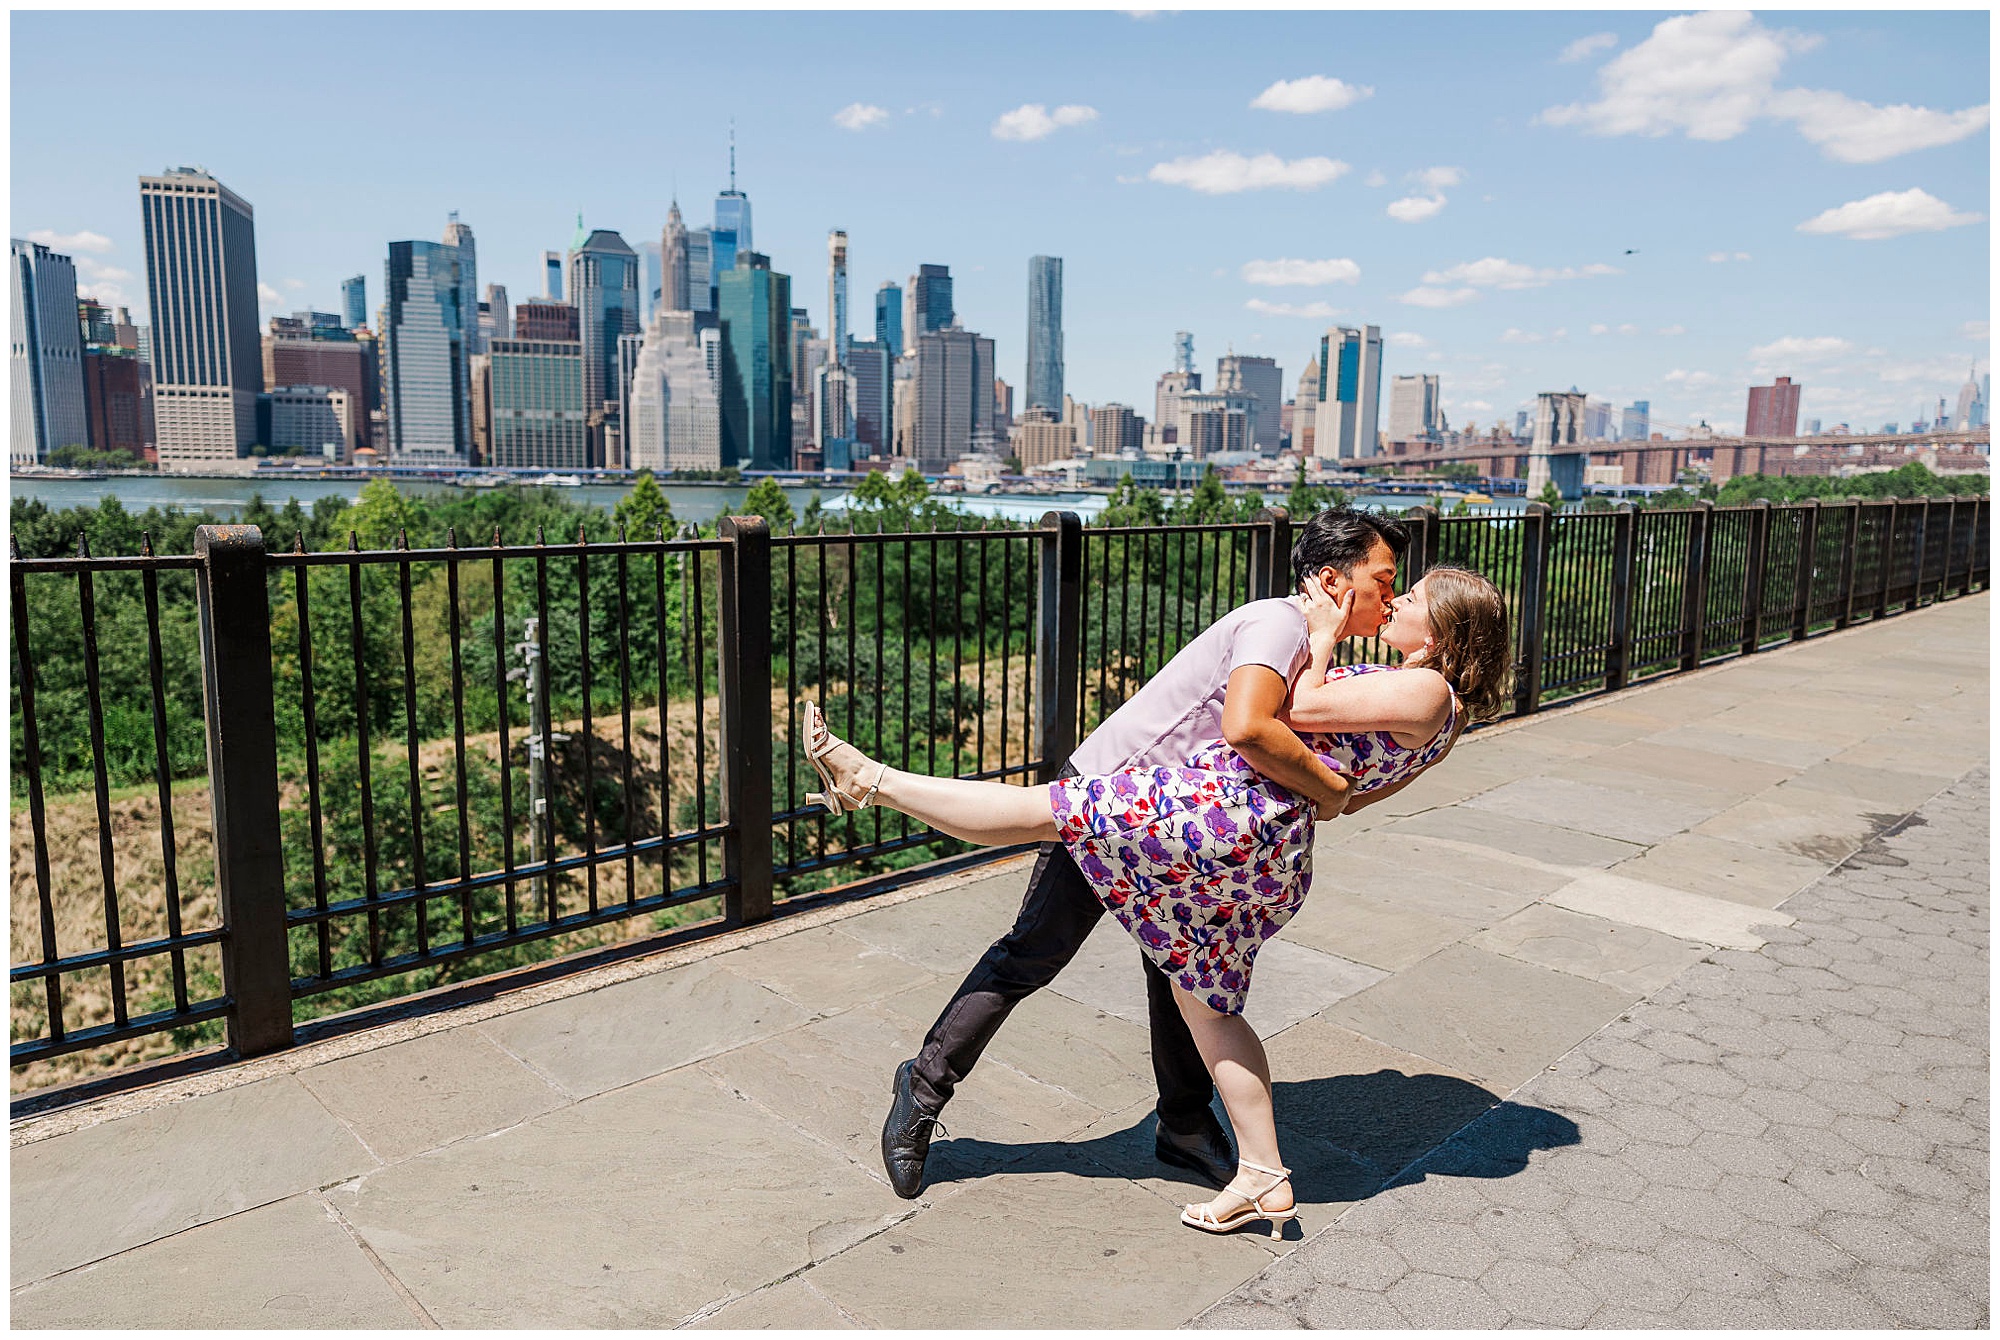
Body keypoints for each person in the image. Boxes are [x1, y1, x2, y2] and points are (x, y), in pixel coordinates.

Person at [805, 555, 1510, 1234]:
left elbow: (1303, 721)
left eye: (1409, 596)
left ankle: (1188, 1125)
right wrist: (1327, 783)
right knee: (1052, 951)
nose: (1394, 600)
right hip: (1171, 792)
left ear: (1444, 634)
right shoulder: (1303, 639)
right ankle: (927, 1086)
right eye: (1388, 583)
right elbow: (1337, 784)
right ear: (1333, 577)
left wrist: (1325, 649)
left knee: (1159, 952)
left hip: (1218, 815)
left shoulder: (1413, 688)